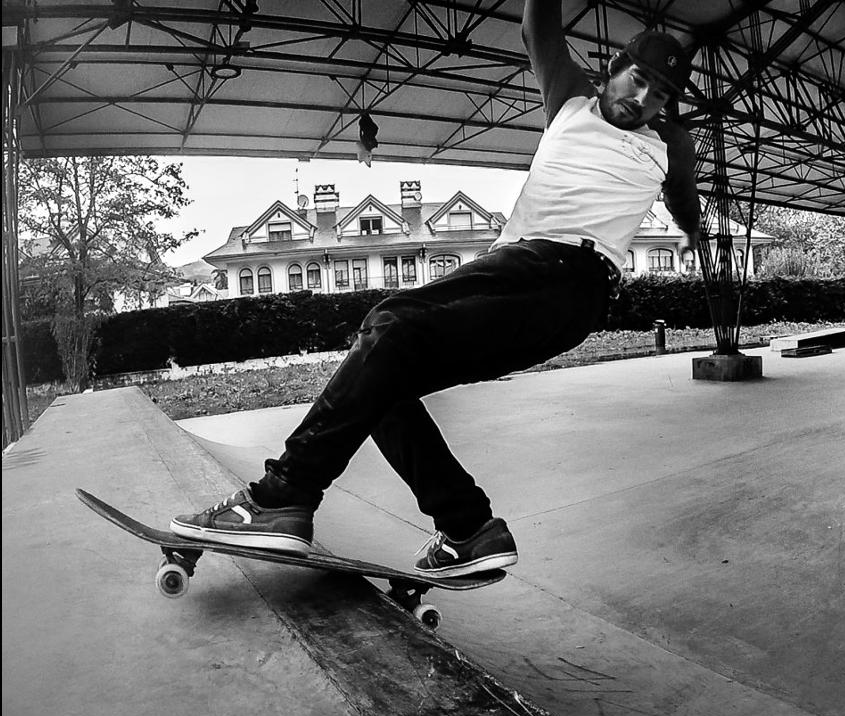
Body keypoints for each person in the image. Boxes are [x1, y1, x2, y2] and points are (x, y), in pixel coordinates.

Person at [169, 0, 701, 577]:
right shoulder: (571, 99)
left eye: (659, 96)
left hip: (569, 283)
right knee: (380, 376)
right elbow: (537, 27)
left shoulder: (671, 144)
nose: (643, 101)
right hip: (537, 284)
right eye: (638, 81)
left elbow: (683, 199)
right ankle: (468, 528)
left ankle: (280, 498)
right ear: (615, 68)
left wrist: (693, 230)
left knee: (388, 324)